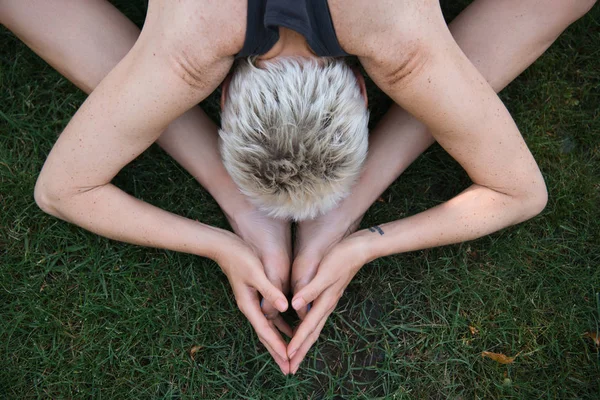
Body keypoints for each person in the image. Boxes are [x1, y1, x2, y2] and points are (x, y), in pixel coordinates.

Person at [0, 0, 595, 376]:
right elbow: (519, 190)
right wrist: (235, 236)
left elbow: (65, 189)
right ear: (368, 93)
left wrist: (354, 235)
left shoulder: (194, 44)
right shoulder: (396, 40)